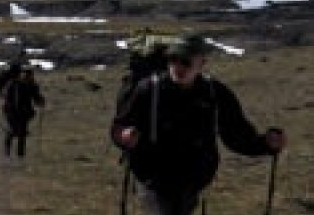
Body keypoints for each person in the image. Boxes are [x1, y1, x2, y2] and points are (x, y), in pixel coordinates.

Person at [111, 34, 286, 214]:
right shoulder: (148, 89)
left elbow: (236, 133)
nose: (177, 66)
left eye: (185, 62)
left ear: (201, 64)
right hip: (154, 177)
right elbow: (120, 125)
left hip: (193, 179)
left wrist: (264, 144)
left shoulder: (214, 92)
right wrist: (124, 135)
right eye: (172, 59)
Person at [1, 64, 45, 158]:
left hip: (23, 113)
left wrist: (40, 101)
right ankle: (9, 152)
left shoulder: (30, 84)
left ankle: (19, 154)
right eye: (26, 74)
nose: (28, 76)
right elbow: (8, 99)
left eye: (29, 74)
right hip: (13, 112)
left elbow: (36, 96)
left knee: (21, 132)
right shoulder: (14, 84)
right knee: (15, 131)